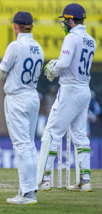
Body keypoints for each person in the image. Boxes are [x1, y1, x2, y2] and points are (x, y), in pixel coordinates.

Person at [38, 3, 96, 192]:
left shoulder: (72, 37)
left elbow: (63, 63)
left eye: (66, 21)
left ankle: (44, 179)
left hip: (70, 88)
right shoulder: (91, 40)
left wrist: (52, 69)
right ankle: (85, 180)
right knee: (80, 135)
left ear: (71, 20)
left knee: (52, 132)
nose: (65, 24)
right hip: (84, 90)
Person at [0, 11, 44, 204]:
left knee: (22, 145)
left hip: (17, 97)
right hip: (33, 95)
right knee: (29, 145)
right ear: (31, 26)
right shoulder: (39, 47)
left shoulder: (15, 45)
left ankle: (27, 193)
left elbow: (0, 75)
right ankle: (28, 189)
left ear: (16, 26)